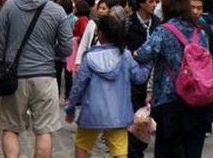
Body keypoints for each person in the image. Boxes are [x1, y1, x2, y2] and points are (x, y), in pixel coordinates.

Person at [0, 0, 73, 158]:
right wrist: (51, 54)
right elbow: (66, 48)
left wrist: (3, 64)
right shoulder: (57, 11)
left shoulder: (10, 6)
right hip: (45, 77)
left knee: (11, 128)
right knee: (44, 130)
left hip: (14, 77)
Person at [135, 0, 213, 158]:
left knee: (167, 150)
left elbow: (142, 54)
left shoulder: (164, 31)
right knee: (193, 151)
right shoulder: (199, 31)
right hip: (198, 99)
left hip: (170, 100)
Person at [65, 16, 151, 158]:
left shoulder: (89, 57)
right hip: (118, 114)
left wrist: (70, 108)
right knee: (120, 151)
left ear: (100, 34)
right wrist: (148, 63)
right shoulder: (126, 56)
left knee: (82, 146)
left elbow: (78, 86)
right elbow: (139, 77)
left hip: (92, 113)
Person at [125, 0, 159, 158]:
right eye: (151, 1)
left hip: (154, 77)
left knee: (147, 117)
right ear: (140, 3)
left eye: (155, 2)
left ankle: (140, 147)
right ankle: (134, 151)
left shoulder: (158, 23)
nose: (154, 5)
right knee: (134, 117)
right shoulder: (128, 24)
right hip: (132, 77)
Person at [189, 0, 213, 136]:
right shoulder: (177, 27)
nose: (196, 11)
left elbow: (211, 51)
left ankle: (205, 125)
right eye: (192, 7)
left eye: (199, 8)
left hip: (202, 75)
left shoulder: (204, 28)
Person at [74, 0, 113, 72]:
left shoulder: (113, 25)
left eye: (104, 8)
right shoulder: (92, 23)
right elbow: (84, 43)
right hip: (91, 60)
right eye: (99, 8)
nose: (100, 11)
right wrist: (78, 62)